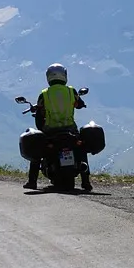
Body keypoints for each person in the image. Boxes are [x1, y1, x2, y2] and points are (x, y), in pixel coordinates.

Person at [25, 62, 91, 192]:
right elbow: (79, 104)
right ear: (64, 75)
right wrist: (79, 104)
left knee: (38, 148)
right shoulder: (71, 91)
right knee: (81, 149)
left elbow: (40, 109)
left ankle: (32, 181)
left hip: (51, 130)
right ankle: (86, 181)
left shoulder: (44, 94)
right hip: (70, 129)